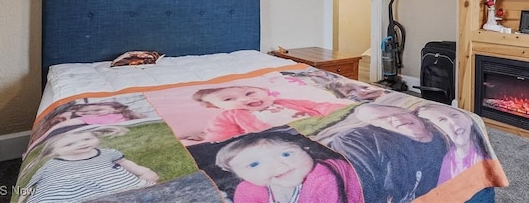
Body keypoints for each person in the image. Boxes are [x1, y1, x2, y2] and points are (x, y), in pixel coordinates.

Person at [329, 103, 447, 203]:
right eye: (382, 119)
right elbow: (361, 186)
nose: (397, 119)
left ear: (413, 113)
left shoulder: (444, 133)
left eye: (397, 113)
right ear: (380, 127)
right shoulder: (360, 141)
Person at [17, 126, 158, 203]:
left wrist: (143, 172)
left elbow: (124, 162)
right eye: (69, 144)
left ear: (96, 137)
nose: (82, 144)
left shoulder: (108, 153)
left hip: (119, 189)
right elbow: (30, 186)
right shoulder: (50, 165)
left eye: (87, 138)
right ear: (53, 151)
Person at [215, 132, 363, 203]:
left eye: (286, 154)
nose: (277, 165)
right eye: (254, 164)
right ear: (237, 174)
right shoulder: (247, 189)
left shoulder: (323, 179)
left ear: (306, 149)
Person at [191, 85, 352, 142]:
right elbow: (221, 139)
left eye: (249, 93)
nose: (244, 99)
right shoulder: (227, 117)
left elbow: (320, 106)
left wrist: (348, 111)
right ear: (217, 107)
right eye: (228, 99)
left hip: (321, 126)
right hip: (283, 140)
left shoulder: (283, 101)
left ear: (265, 91)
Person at [415, 103, 491, 185]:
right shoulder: (447, 162)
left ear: (469, 120)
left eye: (455, 115)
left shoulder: (483, 152)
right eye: (442, 120)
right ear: (438, 131)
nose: (453, 122)